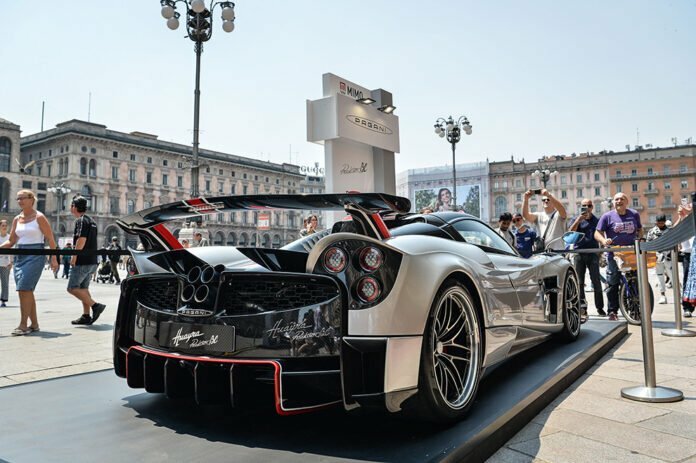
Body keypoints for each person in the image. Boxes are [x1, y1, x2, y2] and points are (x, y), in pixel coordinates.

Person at [0, 189, 59, 335]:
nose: (20, 201)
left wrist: (54, 258)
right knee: (27, 290)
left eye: (23, 198)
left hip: (35, 254)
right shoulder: (16, 219)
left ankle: (23, 325)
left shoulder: (39, 217)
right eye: (18, 199)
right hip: (20, 255)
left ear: (31, 199)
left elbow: (50, 239)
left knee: (24, 289)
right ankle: (35, 324)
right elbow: (12, 240)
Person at [595, 192, 643, 321]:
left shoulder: (634, 214)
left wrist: (640, 239)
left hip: (631, 254)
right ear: (613, 202)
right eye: (616, 199)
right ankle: (612, 311)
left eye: (622, 199)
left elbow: (639, 229)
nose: (619, 201)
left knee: (635, 281)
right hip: (614, 255)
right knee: (613, 283)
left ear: (626, 202)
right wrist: (604, 241)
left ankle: (635, 310)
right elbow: (597, 233)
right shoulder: (607, 216)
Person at [67, 195, 106, 326]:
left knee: (72, 288)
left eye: (71, 205)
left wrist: (74, 256)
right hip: (92, 260)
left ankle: (95, 306)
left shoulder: (81, 220)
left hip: (83, 260)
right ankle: (86, 315)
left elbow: (81, 240)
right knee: (83, 288)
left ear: (74, 207)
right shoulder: (91, 221)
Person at [569, 199, 606, 317]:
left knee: (596, 281)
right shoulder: (577, 218)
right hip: (579, 253)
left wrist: (600, 253)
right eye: (584, 206)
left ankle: (600, 308)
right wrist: (578, 220)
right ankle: (582, 308)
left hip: (593, 253)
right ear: (581, 207)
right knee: (579, 282)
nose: (587, 208)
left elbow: (601, 235)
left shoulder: (597, 220)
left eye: (589, 205)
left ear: (592, 207)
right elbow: (570, 232)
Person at [647, 215, 672, 304]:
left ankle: (679, 294)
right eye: (659, 222)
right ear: (656, 222)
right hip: (657, 257)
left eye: (662, 222)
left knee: (673, 276)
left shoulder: (670, 231)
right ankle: (662, 295)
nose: (661, 224)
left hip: (669, 257)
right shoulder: (651, 231)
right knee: (660, 276)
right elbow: (648, 244)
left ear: (665, 221)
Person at [675, 201, 694, 317]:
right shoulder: (683, 221)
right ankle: (687, 307)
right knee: (687, 280)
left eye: (690, 205)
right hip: (688, 255)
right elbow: (673, 230)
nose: (688, 207)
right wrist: (680, 217)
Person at [0, 219, 12, 307]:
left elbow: (12, 250)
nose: (4, 227)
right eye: (2, 225)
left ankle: (3, 300)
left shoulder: (9, 237)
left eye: (5, 226)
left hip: (6, 262)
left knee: (5, 282)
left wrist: (11, 261)